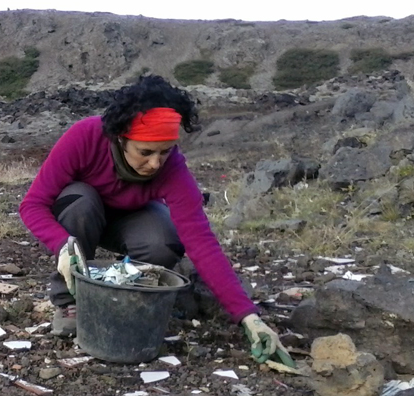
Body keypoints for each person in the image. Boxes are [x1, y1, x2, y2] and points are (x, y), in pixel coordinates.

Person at [19, 75, 291, 364]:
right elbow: (32, 205)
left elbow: (201, 242)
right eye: (145, 152)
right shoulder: (85, 137)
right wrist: (62, 243)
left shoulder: (173, 168)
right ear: (121, 137)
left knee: (163, 240)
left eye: (165, 151)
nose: (155, 163)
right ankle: (69, 301)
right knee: (80, 203)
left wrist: (248, 317)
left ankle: (128, 293)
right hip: (83, 215)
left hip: (132, 221)